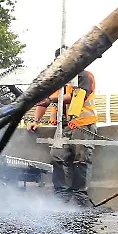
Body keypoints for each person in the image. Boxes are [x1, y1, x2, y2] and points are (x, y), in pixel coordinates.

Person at [29, 47, 98, 206]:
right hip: (63, 127)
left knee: (81, 159)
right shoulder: (57, 79)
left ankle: (80, 196)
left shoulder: (84, 76)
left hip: (82, 124)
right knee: (57, 156)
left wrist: (51, 99)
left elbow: (77, 95)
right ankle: (61, 195)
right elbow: (43, 99)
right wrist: (36, 120)